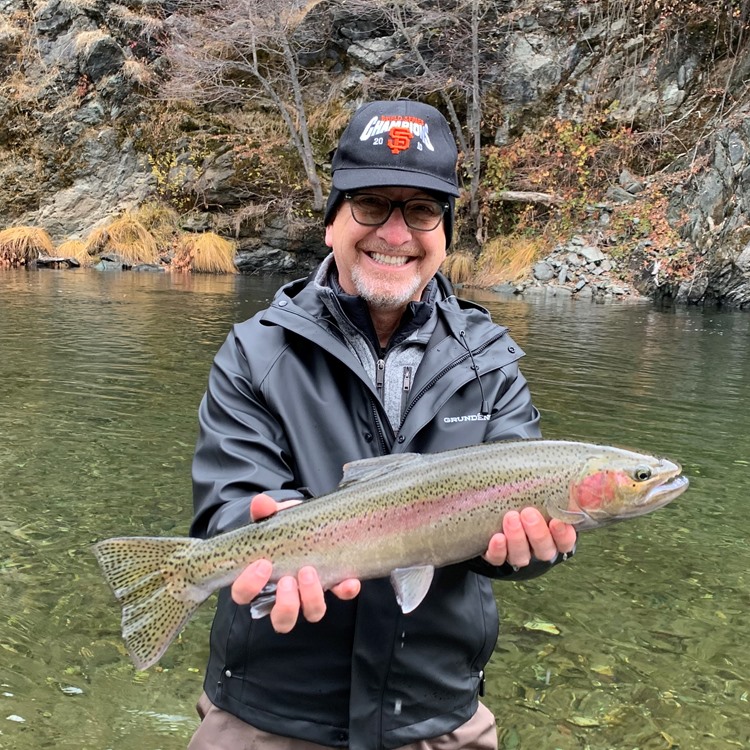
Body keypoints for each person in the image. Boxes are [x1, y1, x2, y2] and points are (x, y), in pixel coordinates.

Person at [188, 99, 577, 750]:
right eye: (371, 205)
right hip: (268, 717)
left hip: (435, 719)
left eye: (421, 210)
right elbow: (230, 504)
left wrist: (533, 552)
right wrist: (262, 538)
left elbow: (522, 513)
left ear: (444, 232)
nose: (395, 234)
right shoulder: (254, 355)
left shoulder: (492, 361)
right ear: (333, 221)